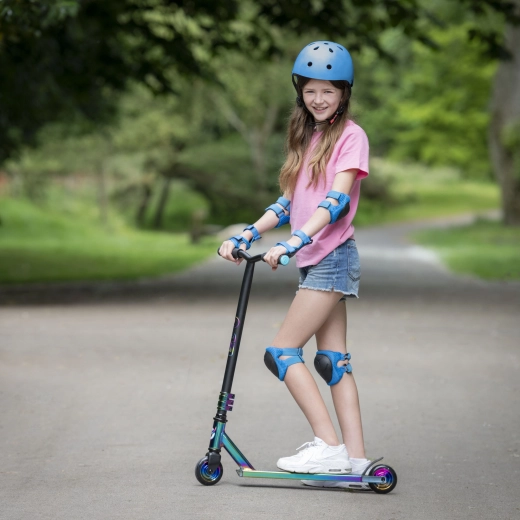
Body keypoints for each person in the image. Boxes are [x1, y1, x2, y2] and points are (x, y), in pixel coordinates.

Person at [218, 41, 371, 490]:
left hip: (331, 257)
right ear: (300, 91)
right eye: (310, 90)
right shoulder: (308, 137)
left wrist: (296, 240)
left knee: (282, 352)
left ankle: (329, 446)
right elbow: (289, 202)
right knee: (332, 362)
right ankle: (356, 461)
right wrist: (248, 233)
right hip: (316, 259)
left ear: (344, 92)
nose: (318, 99)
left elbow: (336, 201)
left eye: (328, 90)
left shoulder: (352, 136)